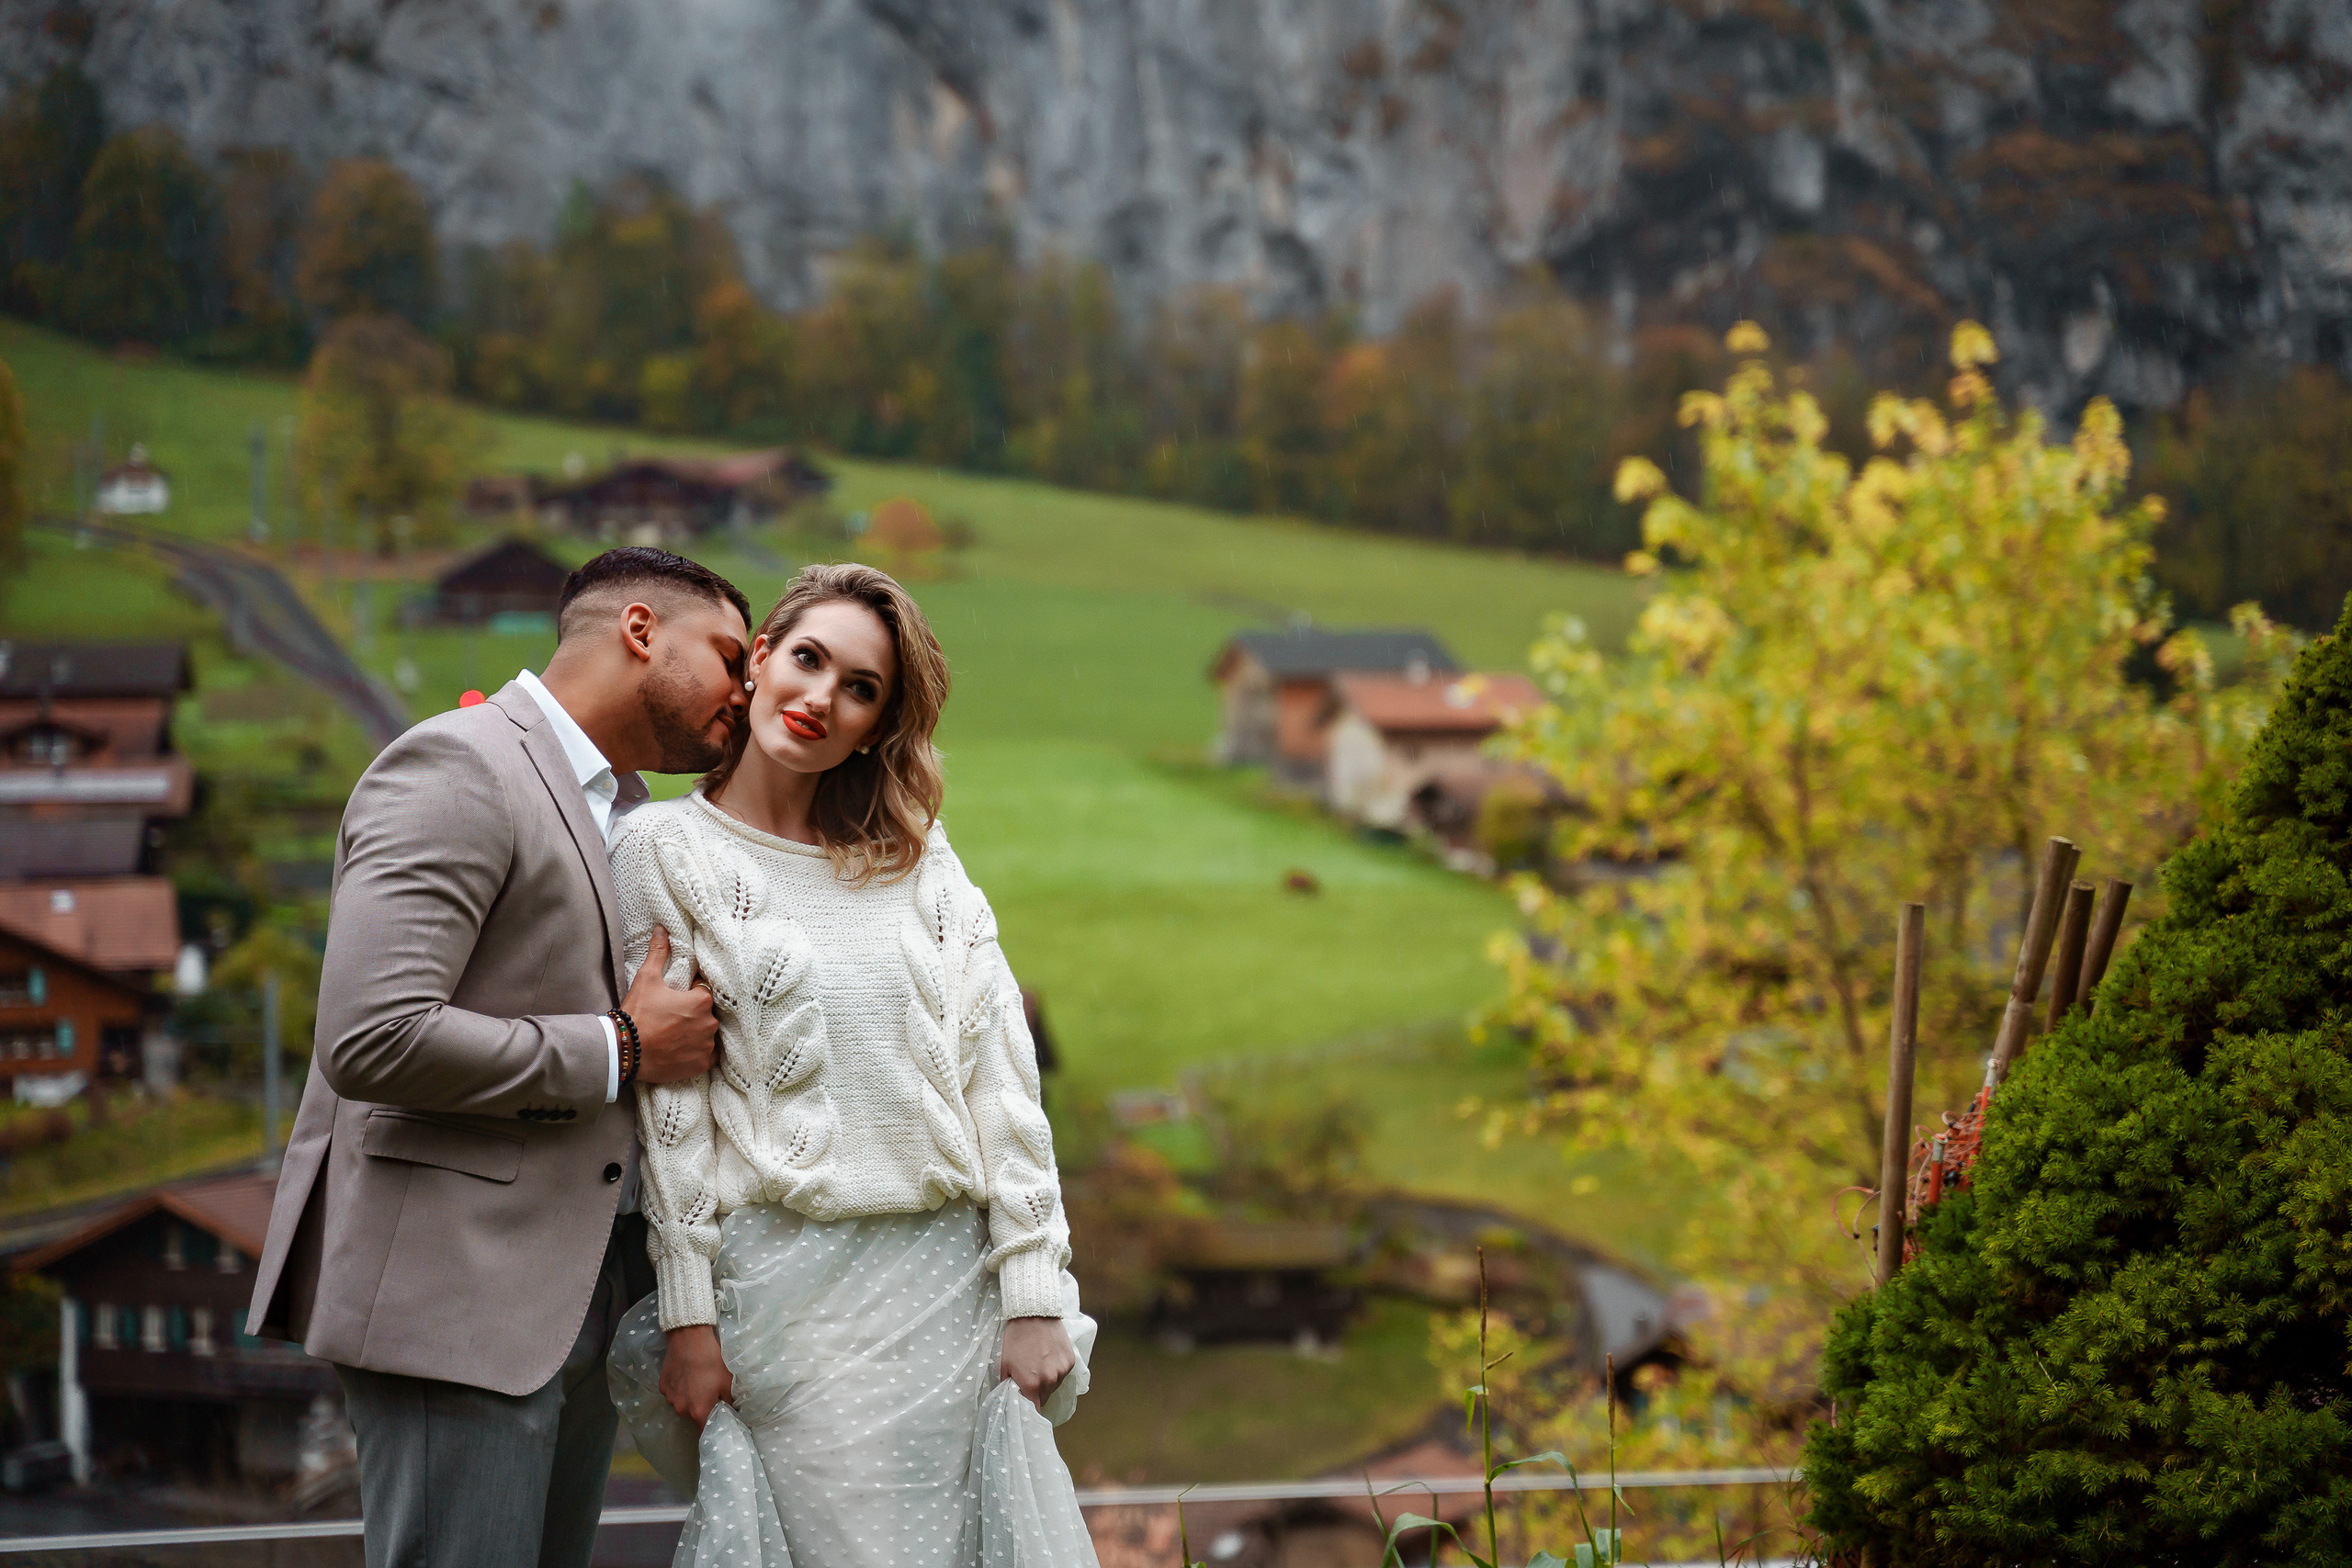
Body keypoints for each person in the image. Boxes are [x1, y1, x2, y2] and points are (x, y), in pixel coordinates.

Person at [244, 547, 752, 1568]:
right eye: (732, 658)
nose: (748, 692)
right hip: (456, 1296)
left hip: (579, 1297)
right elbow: (371, 1036)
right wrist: (621, 1047)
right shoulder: (460, 764)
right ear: (642, 631)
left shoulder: (634, 818)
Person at [606, 562, 1098, 1568]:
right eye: (808, 659)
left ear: (878, 725)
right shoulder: (659, 850)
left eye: (861, 688)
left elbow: (1002, 1082)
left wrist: (1036, 1291)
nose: (821, 698)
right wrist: (691, 1317)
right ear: (759, 660)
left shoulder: (921, 861)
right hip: (784, 1308)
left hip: (948, 1295)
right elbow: (674, 1111)